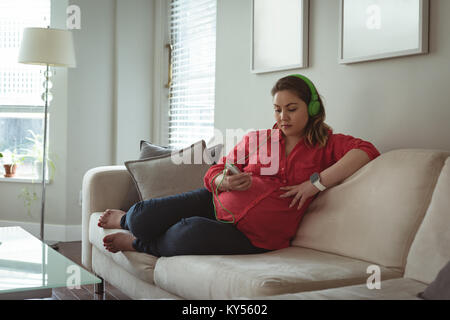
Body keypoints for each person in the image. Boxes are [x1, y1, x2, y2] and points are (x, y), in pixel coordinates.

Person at [98, 74, 380, 257]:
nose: (283, 116)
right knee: (142, 217)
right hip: (214, 201)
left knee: (186, 232)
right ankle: (127, 221)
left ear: (313, 108)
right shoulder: (257, 139)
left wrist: (315, 184)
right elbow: (214, 172)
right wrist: (226, 182)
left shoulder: (327, 144)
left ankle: (137, 244)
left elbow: (366, 151)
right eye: (278, 109)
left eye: (292, 108)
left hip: (254, 237)